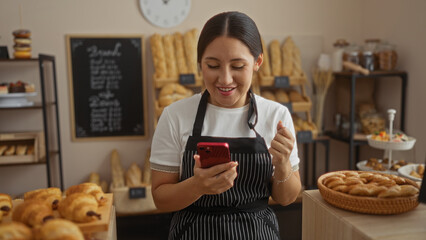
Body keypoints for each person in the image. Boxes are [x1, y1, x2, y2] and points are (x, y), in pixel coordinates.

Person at [150, 11, 302, 240]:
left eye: (238, 66)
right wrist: (198, 186)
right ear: (200, 62)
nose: (225, 79)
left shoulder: (276, 115)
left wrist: (282, 165)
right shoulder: (174, 116)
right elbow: (160, 199)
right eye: (212, 65)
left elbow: (287, 197)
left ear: (257, 62)